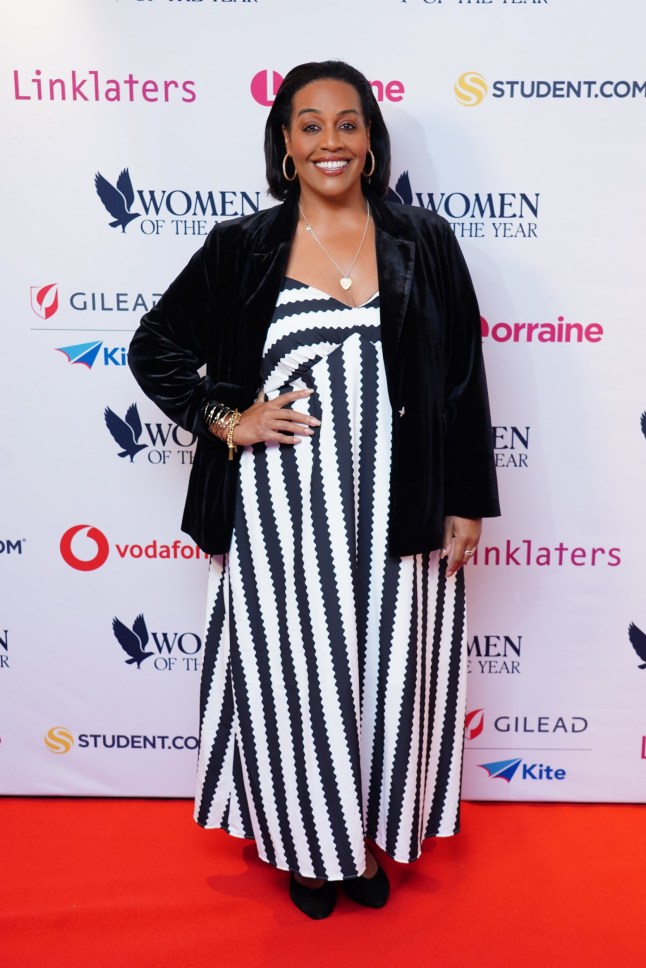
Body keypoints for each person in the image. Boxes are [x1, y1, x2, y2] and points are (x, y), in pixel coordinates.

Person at [129, 60, 500, 920]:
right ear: (286, 145)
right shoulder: (242, 248)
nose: (329, 140)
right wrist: (230, 417)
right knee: (297, 681)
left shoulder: (426, 240)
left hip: (399, 513)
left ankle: (365, 839)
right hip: (279, 519)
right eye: (309, 125)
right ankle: (309, 849)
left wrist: (466, 500)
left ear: (370, 139)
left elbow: (462, 384)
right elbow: (157, 346)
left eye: (346, 123)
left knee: (387, 678)